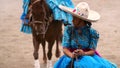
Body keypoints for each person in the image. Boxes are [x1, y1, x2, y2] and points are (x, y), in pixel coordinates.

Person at [54, 2, 118, 68]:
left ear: (81, 20)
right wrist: (72, 55)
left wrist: (83, 53)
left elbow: (92, 51)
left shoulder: (93, 33)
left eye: (75, 18)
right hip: (70, 56)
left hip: (87, 57)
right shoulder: (68, 29)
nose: (72, 20)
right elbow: (65, 49)